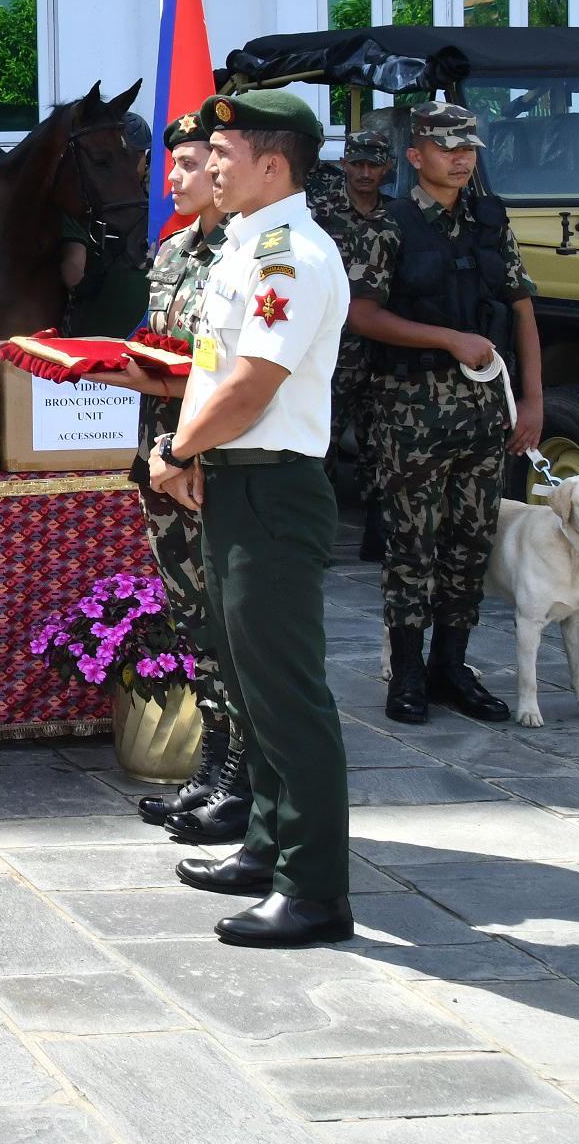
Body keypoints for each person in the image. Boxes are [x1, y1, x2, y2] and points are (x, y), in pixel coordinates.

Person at [148, 90, 355, 948]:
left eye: (224, 154)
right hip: (236, 481)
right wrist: (198, 453)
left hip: (272, 486)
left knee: (286, 694)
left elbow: (250, 387)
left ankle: (315, 891)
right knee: (250, 685)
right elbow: (212, 368)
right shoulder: (245, 248)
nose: (210, 167)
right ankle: (267, 847)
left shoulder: (290, 256)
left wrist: (178, 451)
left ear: (273, 163)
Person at [337, 101, 540, 727]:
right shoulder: (390, 227)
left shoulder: (488, 220)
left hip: (482, 410)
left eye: (469, 148)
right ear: (415, 156)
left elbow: (523, 308)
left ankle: (453, 667)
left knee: (469, 542)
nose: (460, 158)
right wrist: (446, 339)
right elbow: (361, 314)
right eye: (447, 147)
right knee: (411, 545)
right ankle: (408, 674)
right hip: (410, 410)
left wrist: (533, 401)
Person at [106, 110, 245, 843]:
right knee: (190, 614)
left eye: (192, 165)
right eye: (176, 165)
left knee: (230, 617)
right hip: (163, 461)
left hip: (214, 462)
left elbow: (224, 371)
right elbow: (159, 347)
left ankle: (241, 777)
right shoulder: (172, 254)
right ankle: (212, 762)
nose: (176, 179)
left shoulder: (247, 258)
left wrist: (158, 388)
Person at [309, 128, 399, 563]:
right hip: (331, 348)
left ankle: (378, 535)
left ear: (387, 167)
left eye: (373, 164)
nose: (365, 173)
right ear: (343, 164)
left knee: (378, 442)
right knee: (322, 440)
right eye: (357, 163)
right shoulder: (318, 211)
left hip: (381, 348)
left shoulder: (398, 218)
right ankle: (320, 536)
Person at [60, 116, 151, 337]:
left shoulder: (166, 202)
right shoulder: (83, 202)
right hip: (98, 336)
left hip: (140, 337)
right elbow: (72, 274)